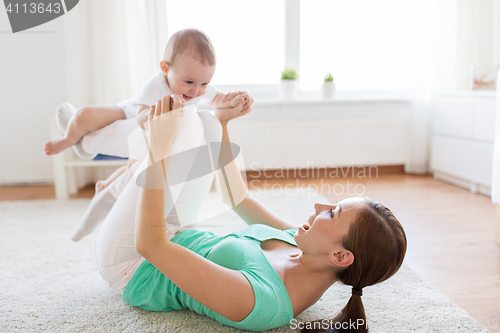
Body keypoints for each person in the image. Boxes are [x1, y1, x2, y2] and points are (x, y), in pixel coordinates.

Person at [93, 94, 407, 332]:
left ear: (340, 256)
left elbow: (150, 245)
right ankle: (114, 175)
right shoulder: (301, 247)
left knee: (181, 128)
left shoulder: (263, 301)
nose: (318, 207)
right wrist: (224, 124)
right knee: (205, 122)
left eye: (332, 214)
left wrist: (157, 154)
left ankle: (89, 143)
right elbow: (236, 198)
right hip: (177, 230)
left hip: (136, 263)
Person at [43, 28, 253, 164]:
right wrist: (162, 112)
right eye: (188, 82)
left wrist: (236, 99)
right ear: (165, 68)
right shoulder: (156, 85)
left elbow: (218, 100)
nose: (195, 91)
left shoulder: (198, 86)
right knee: (84, 115)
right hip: (126, 115)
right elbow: (141, 117)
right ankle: (68, 139)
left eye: (204, 83)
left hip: (155, 142)